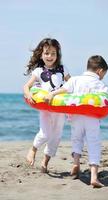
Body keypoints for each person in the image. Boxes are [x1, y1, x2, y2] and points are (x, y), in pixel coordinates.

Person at [44, 55, 108, 187]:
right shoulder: (100, 84)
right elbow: (107, 99)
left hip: (75, 116)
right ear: (99, 71)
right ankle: (93, 177)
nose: (103, 76)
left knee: (76, 138)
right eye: (104, 73)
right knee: (94, 143)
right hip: (92, 117)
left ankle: (76, 163)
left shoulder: (75, 79)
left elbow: (63, 90)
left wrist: (52, 94)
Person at [24, 38, 71, 172]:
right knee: (45, 134)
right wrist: (28, 94)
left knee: (56, 136)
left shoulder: (63, 69)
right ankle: (33, 149)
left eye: (53, 53)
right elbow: (26, 86)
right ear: (41, 55)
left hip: (60, 108)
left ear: (58, 55)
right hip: (45, 108)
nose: (50, 56)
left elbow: (71, 84)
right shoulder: (38, 71)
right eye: (47, 53)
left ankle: (45, 162)